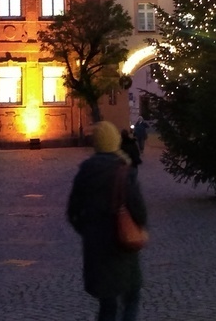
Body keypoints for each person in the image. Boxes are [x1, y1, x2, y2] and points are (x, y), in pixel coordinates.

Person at [67, 121, 147, 321]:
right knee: (131, 297)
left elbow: (73, 211)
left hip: (96, 248)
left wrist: (89, 230)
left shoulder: (85, 172)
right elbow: (139, 211)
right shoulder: (123, 171)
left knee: (107, 304)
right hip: (121, 246)